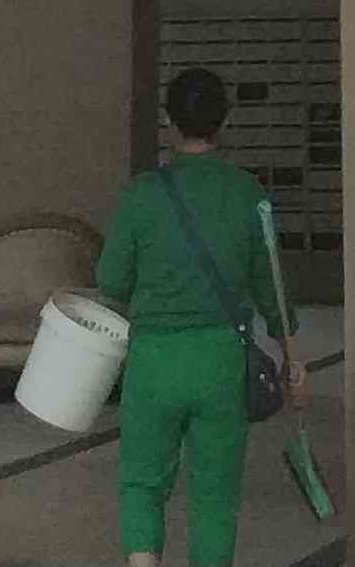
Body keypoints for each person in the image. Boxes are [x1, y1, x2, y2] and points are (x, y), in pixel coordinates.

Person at [94, 66, 304, 567]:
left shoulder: (142, 194)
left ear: (169, 122)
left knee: (142, 482)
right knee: (215, 498)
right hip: (220, 364)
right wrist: (293, 360)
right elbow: (272, 289)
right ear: (225, 122)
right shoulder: (248, 194)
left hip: (154, 362)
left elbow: (111, 281)